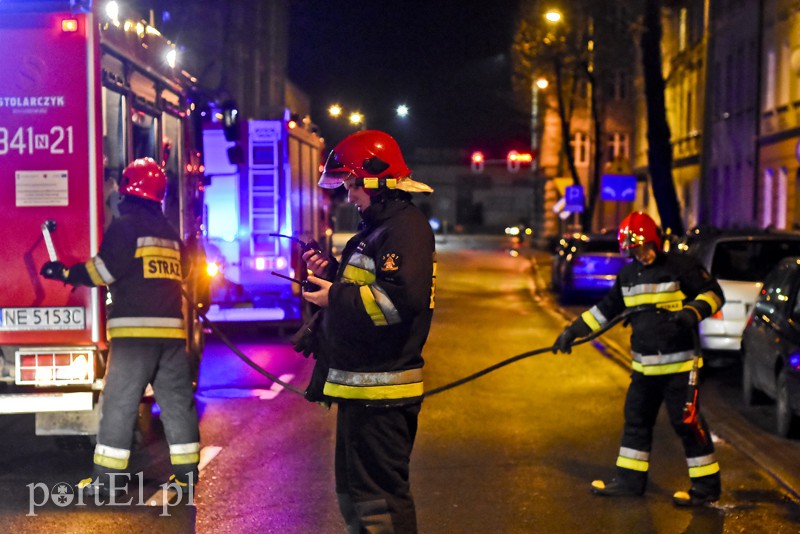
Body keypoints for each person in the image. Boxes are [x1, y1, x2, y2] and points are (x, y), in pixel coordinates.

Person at [299, 130, 436, 533]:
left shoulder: (404, 230)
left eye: (352, 184)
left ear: (377, 179)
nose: (348, 194)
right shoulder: (378, 229)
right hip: (363, 393)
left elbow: (397, 302)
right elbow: (368, 286)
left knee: (379, 503)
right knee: (357, 498)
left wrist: (333, 298)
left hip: (383, 395)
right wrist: (333, 274)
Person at [40, 157, 200, 497]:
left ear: (128, 190)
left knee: (119, 404)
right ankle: (186, 476)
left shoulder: (125, 227)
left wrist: (66, 273)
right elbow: (185, 272)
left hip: (134, 337)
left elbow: (102, 272)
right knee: (177, 404)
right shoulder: (170, 232)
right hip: (171, 336)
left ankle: (108, 481)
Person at [552, 211, 724, 507]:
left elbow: (714, 294)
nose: (639, 255)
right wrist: (573, 331)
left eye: (643, 249)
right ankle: (630, 482)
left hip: (680, 368)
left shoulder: (681, 267)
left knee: (687, 424)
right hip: (644, 369)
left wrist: (690, 312)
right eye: (633, 251)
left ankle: (706, 488)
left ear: (655, 243)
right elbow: (606, 309)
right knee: (636, 421)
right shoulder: (628, 276)